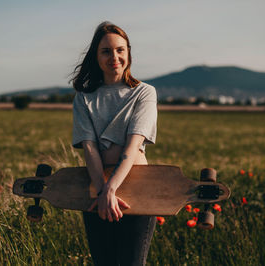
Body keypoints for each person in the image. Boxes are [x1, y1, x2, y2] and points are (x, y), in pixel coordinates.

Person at [71, 21, 158, 266]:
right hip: (96, 191)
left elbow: (133, 146)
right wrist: (101, 192)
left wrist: (110, 190)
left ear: (128, 52)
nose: (114, 57)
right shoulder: (84, 98)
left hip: (138, 189)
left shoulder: (144, 93)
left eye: (120, 49)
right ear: (96, 56)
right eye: (106, 51)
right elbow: (89, 148)